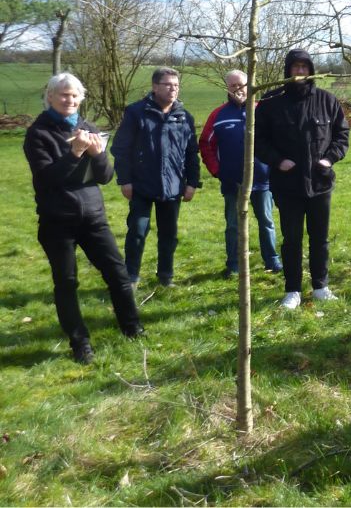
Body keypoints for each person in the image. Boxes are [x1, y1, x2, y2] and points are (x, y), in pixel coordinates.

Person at [24, 74, 144, 364]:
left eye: (75, 96)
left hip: (93, 217)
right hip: (57, 221)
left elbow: (104, 176)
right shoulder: (38, 134)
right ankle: (80, 343)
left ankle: (132, 327)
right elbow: (46, 180)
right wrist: (75, 153)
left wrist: (98, 154)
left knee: (117, 273)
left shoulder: (87, 127)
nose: (70, 100)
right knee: (66, 282)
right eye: (64, 95)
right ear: (50, 96)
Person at [256, 49, 350, 310]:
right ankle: (292, 290)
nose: (300, 72)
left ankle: (321, 286)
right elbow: (258, 140)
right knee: (292, 239)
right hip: (287, 185)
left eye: (304, 67)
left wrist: (329, 159)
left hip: (320, 183)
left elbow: (342, 135)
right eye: (295, 67)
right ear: (287, 70)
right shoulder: (271, 102)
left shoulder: (327, 100)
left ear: (311, 70)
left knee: (320, 238)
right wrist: (277, 161)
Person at [110, 67, 200, 289]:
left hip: (173, 185)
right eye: (168, 84)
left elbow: (191, 153)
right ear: (154, 86)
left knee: (169, 234)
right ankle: (130, 277)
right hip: (141, 184)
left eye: (176, 85)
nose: (173, 89)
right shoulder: (136, 113)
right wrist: (125, 180)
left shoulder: (184, 116)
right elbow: (121, 148)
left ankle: (165, 276)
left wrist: (192, 183)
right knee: (138, 232)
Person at [198, 69, 283, 278]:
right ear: (227, 87)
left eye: (242, 84)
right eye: (233, 85)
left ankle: (272, 260)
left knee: (266, 221)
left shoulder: (262, 111)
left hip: (262, 180)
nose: (239, 89)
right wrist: (217, 171)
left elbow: (277, 141)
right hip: (232, 181)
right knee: (233, 224)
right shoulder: (218, 115)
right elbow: (206, 144)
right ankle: (234, 264)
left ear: (249, 84)